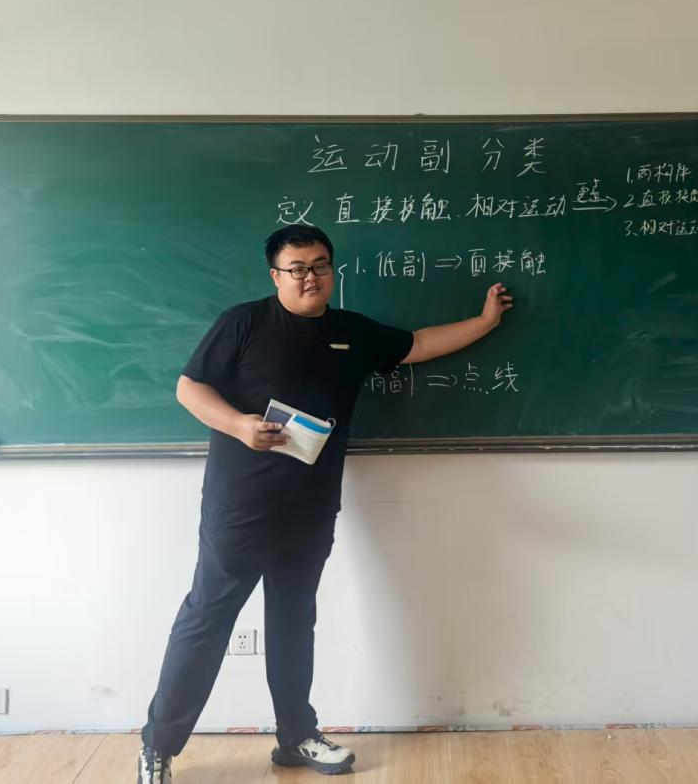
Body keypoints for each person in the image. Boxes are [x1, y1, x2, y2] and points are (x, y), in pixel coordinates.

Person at [138, 224, 513, 782]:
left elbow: (418, 344)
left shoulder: (351, 332)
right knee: (206, 619)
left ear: (332, 270)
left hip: (311, 508)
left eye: (319, 265)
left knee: (294, 621)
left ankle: (296, 737)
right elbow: (189, 388)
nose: (310, 276)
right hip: (241, 505)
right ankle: (158, 747)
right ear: (276, 275)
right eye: (297, 268)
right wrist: (239, 426)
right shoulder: (244, 322)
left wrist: (485, 322)